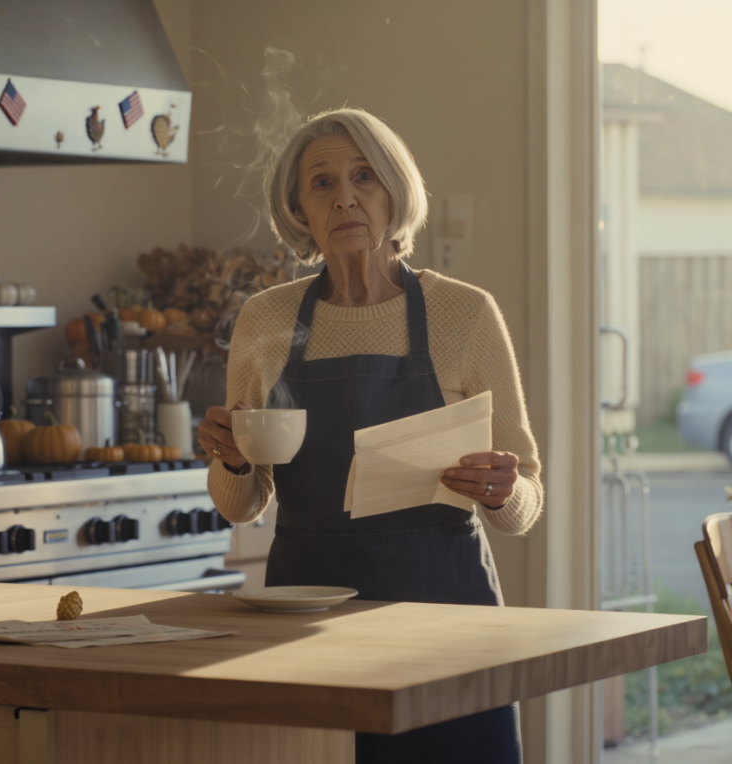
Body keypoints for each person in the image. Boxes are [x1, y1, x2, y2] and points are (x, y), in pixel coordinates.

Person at [199, 108, 543, 764]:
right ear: (299, 208)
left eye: (365, 176)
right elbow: (242, 506)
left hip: (448, 625)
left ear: (396, 190)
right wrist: (235, 463)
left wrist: (502, 491)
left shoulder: (464, 313)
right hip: (304, 622)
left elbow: (525, 498)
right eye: (321, 182)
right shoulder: (266, 319)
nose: (346, 196)